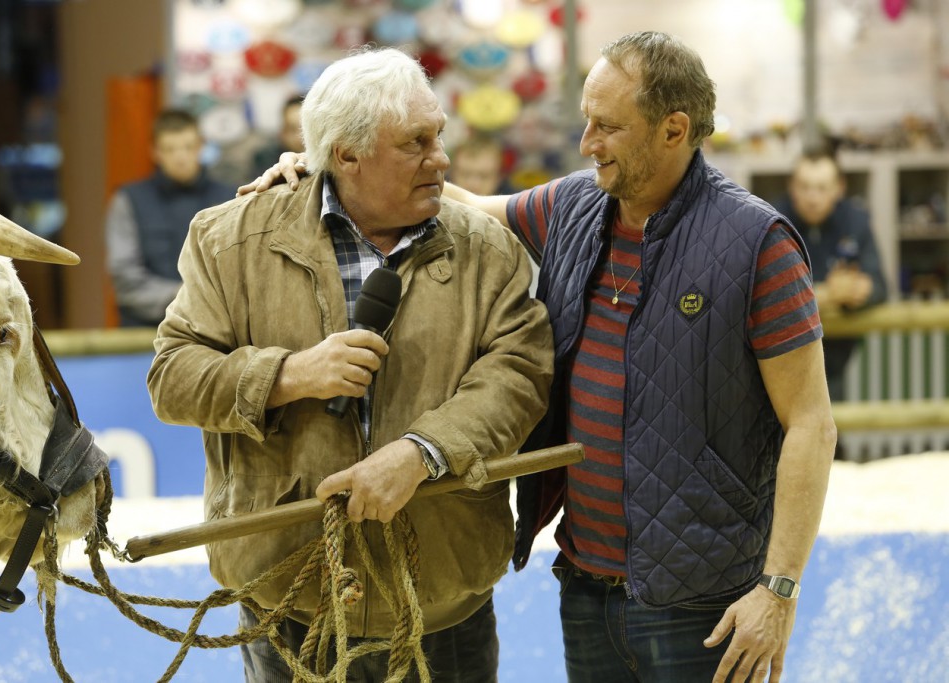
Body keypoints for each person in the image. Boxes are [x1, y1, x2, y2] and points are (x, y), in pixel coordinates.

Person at [244, 31, 838, 683]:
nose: (587, 143)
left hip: (707, 603)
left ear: (675, 129)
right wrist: (321, 168)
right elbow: (459, 204)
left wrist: (778, 590)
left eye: (607, 127)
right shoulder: (575, 204)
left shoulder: (757, 243)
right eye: (587, 120)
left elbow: (810, 422)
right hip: (585, 587)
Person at [147, 47, 553, 682]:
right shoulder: (228, 239)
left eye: (438, 135)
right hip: (287, 597)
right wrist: (287, 376)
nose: (440, 158)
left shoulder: (487, 249)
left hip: (444, 600)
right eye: (416, 142)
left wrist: (423, 453)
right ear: (346, 156)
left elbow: (520, 376)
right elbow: (172, 377)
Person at [774, 149, 887, 402]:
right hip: (782, 357)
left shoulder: (855, 220)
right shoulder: (771, 222)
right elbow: (765, 294)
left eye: (822, 188)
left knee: (832, 429)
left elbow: (880, 284)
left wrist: (861, 289)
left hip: (836, 356)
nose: (813, 197)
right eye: (805, 187)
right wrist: (826, 295)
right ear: (792, 187)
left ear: (839, 188)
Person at [105, 108, 234, 327]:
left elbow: (240, 271)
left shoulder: (230, 199)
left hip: (216, 333)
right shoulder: (128, 200)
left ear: (201, 147)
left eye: (188, 147)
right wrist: (185, 295)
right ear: (155, 152)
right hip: (144, 334)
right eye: (170, 149)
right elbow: (124, 278)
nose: (180, 157)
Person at [251, 94, 306, 177]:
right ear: (282, 132)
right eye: (292, 129)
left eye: (304, 129)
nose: (299, 138)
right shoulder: (265, 159)